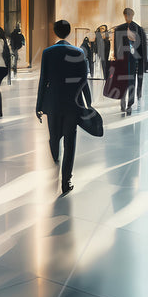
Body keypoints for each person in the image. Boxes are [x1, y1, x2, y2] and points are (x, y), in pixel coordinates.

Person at [36, 20, 91, 195]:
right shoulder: (78, 52)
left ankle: (55, 157)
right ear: (69, 32)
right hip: (72, 103)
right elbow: (83, 80)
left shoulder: (47, 52)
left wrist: (39, 105)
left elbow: (43, 80)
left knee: (54, 136)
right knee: (70, 140)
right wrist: (88, 103)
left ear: (55, 32)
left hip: (52, 102)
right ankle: (66, 180)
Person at [113, 8, 147, 114]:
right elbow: (116, 46)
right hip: (122, 59)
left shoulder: (138, 29)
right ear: (124, 15)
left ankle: (130, 104)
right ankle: (123, 101)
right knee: (123, 81)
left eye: (129, 15)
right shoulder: (119, 29)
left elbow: (142, 47)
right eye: (126, 15)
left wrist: (142, 62)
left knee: (131, 82)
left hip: (133, 59)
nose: (127, 17)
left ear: (132, 15)